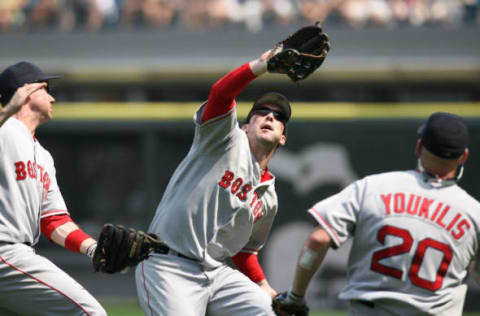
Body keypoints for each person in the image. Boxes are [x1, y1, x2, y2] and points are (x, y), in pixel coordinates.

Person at [134, 47, 292, 315]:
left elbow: (244, 250)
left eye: (279, 118)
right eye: (262, 112)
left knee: (268, 310)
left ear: (283, 137)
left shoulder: (269, 198)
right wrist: (260, 66)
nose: (270, 117)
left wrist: (264, 286)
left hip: (216, 273)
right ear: (244, 126)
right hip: (169, 265)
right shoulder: (224, 139)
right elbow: (220, 93)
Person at [274, 112, 480, 316]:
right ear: (464, 157)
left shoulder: (373, 187)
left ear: (419, 147)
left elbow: (318, 239)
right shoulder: (473, 213)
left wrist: (296, 297)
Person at [0, 61, 106, 316]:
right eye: (45, 89)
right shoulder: (5, 131)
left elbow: (53, 220)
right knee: (90, 313)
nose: (53, 98)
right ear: (25, 92)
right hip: (5, 252)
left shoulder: (44, 156)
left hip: (16, 254)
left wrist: (93, 248)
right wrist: (9, 109)